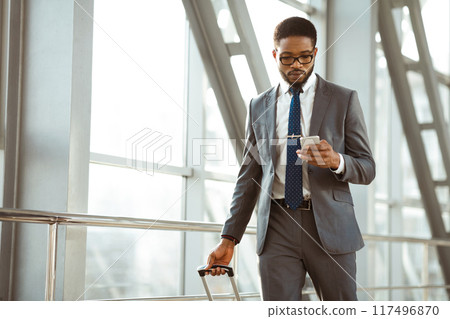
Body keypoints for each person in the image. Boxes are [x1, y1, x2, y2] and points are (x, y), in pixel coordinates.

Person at [203, 16, 375, 301]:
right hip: (277, 227)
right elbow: (248, 177)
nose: (297, 65)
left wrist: (336, 161)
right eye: (287, 58)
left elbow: (367, 168)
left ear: (315, 53)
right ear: (274, 55)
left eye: (305, 57)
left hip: (330, 229)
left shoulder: (344, 99)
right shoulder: (259, 105)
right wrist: (228, 238)